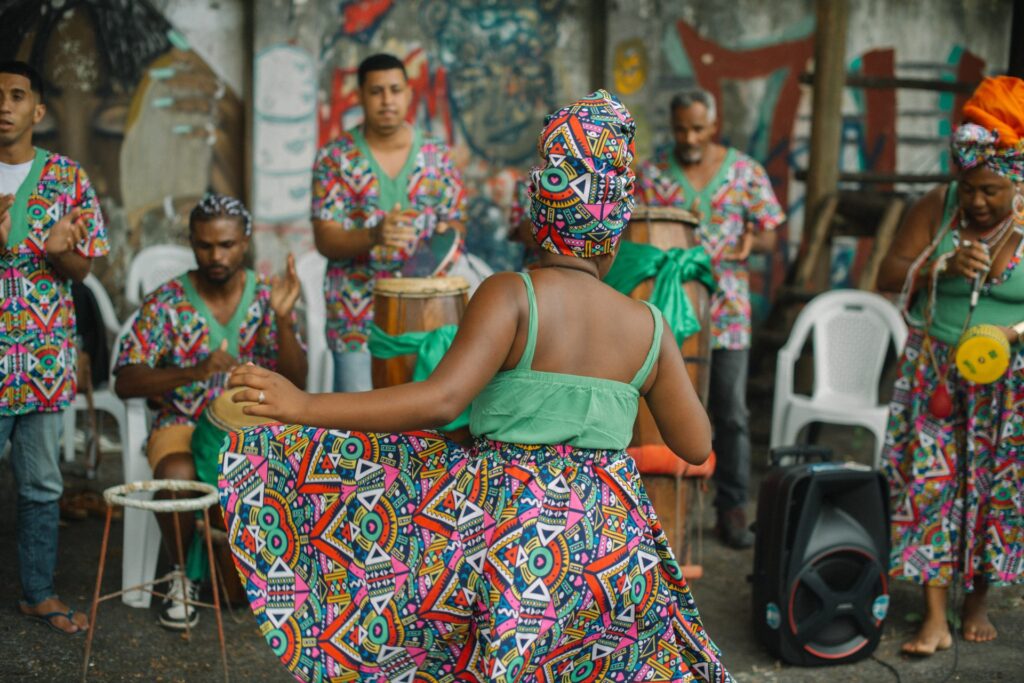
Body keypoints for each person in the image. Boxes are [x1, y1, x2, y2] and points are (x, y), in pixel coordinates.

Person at [221, 90, 731, 682]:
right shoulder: (649, 326)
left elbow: (441, 402)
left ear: (537, 217)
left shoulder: (511, 294)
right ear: (615, 233)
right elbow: (695, 444)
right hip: (613, 547)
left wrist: (303, 405)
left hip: (514, 544)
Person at [877, 76, 1024, 656]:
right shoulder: (935, 210)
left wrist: (1011, 333)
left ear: (1017, 179)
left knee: (995, 491)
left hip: (1009, 381)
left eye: (991, 190)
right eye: (969, 190)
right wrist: (942, 269)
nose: (978, 202)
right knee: (930, 487)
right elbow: (888, 277)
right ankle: (933, 615)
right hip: (935, 374)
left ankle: (977, 600)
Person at [113, 194, 306, 630]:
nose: (216, 256)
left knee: (296, 465)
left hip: (249, 427)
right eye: (205, 245)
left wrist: (284, 320)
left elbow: (299, 380)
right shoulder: (168, 302)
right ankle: (182, 576)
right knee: (178, 475)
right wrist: (194, 371)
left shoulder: (264, 295)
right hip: (181, 422)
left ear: (245, 241)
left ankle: (267, 579)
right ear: (192, 242)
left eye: (227, 245)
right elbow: (125, 379)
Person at [636, 87, 785, 549]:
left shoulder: (744, 171)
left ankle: (733, 509)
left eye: (698, 127)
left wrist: (750, 244)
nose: (689, 136)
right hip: (667, 313)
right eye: (681, 128)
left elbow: (770, 235)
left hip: (727, 312)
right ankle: (654, 508)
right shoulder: (653, 172)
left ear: (713, 125)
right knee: (656, 410)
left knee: (732, 412)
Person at [0, 60, 108, 635]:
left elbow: (82, 268)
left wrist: (57, 250)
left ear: (37, 111)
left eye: (17, 96)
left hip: (43, 360)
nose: (5, 105)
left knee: (42, 484)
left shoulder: (66, 177)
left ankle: (37, 593)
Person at [311, 52, 466, 392]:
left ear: (409, 94)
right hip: (354, 317)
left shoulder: (436, 156)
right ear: (361, 96)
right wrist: (375, 234)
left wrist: (444, 238)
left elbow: (456, 222)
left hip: (426, 314)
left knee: (427, 423)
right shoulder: (335, 157)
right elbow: (325, 239)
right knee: (358, 430)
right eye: (376, 91)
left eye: (395, 90)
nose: (387, 100)